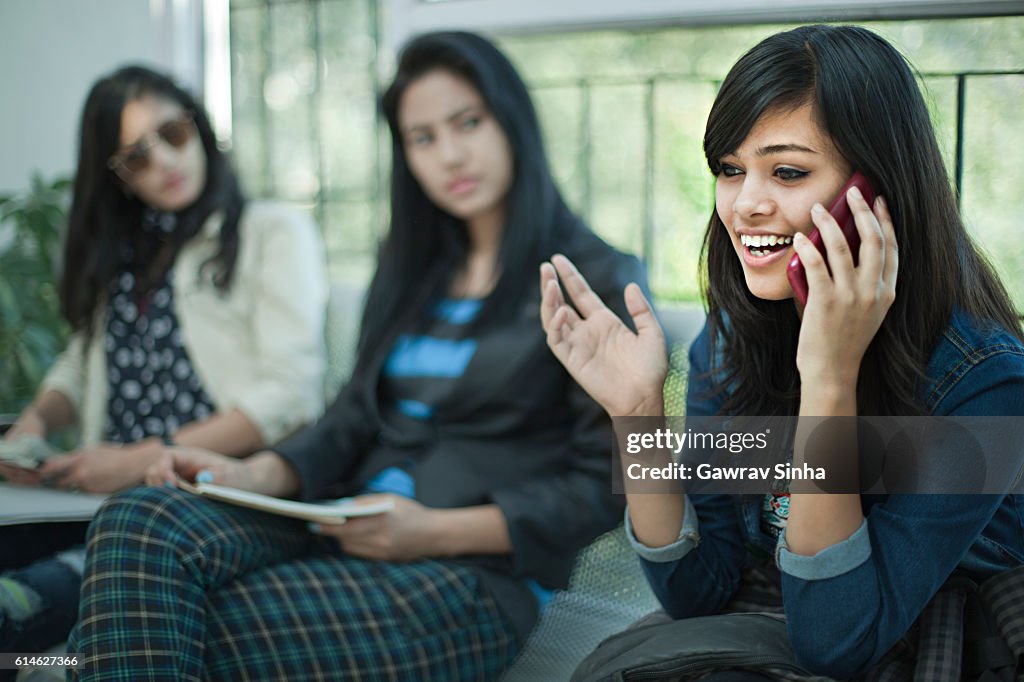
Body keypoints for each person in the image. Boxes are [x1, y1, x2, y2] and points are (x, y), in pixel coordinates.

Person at [68, 32, 646, 681]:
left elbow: (605, 488)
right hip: (338, 525)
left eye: (468, 123)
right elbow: (350, 420)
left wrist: (432, 530)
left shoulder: (591, 278)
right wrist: (254, 473)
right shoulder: (413, 272)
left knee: (145, 626)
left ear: (512, 120)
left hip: (468, 579)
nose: (450, 154)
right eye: (422, 138)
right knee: (138, 518)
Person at [540, 24, 1024, 679]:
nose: (745, 206)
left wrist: (829, 379)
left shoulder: (984, 382)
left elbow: (838, 637)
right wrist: (637, 416)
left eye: (788, 171)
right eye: (730, 170)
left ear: (876, 192)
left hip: (940, 638)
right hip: (773, 620)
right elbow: (696, 591)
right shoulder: (734, 337)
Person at [0, 65, 328, 660]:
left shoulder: (270, 232)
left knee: (22, 605)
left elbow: (292, 391)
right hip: (102, 500)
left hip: (215, 492)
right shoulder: (126, 254)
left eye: (171, 134)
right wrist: (34, 426)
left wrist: (139, 460)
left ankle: (54, 664)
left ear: (198, 127)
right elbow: (79, 362)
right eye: (135, 158)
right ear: (118, 177)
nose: (164, 164)